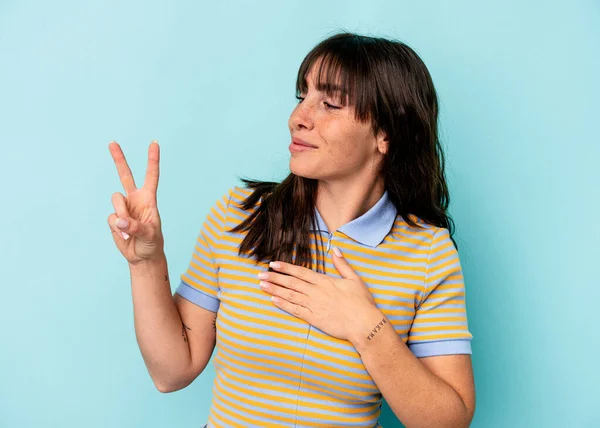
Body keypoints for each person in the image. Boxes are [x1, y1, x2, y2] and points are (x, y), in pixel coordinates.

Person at [108, 32, 475, 428]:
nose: (298, 117)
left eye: (330, 103)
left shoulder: (427, 253)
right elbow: (171, 372)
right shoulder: (239, 215)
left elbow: (447, 421)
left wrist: (365, 325)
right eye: (303, 97)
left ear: (385, 134)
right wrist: (146, 263)